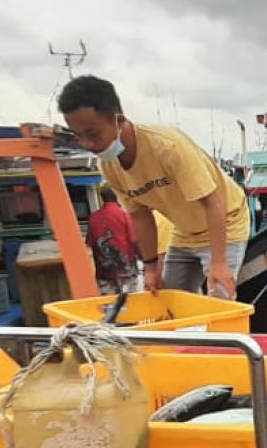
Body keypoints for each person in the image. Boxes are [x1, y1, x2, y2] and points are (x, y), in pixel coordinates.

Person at [59, 75, 251, 299]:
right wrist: (150, 267)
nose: (87, 145)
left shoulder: (168, 147)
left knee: (220, 298)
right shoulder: (108, 166)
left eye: (93, 133)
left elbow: (213, 201)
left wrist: (219, 263)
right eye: (78, 136)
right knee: (166, 298)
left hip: (226, 222)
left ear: (119, 120)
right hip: (185, 232)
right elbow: (140, 216)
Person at [86, 183, 140, 294]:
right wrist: (146, 260)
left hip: (104, 271)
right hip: (126, 269)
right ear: (118, 195)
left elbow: (90, 243)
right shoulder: (124, 215)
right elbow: (134, 240)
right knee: (130, 303)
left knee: (110, 306)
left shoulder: (93, 217)